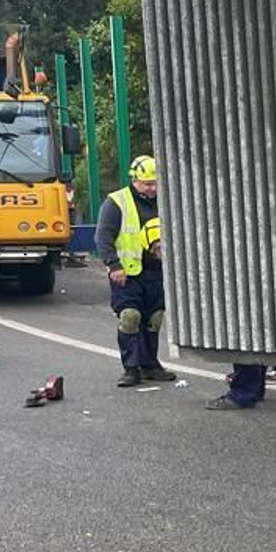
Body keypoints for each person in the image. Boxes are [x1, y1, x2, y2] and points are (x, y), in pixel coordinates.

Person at [97, 155, 174, 388]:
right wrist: (113, 265)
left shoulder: (166, 200)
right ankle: (131, 368)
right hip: (128, 273)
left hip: (157, 272)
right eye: (146, 184)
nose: (152, 188)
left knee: (155, 318)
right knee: (130, 316)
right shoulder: (117, 202)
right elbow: (103, 237)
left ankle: (149, 365)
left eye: (155, 183)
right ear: (134, 180)